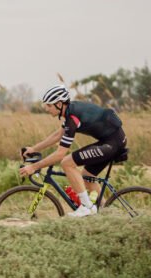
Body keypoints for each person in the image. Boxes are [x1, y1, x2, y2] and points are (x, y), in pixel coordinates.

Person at [19, 85, 128, 218]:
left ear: (59, 104)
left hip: (112, 143)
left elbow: (60, 154)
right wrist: (34, 148)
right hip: (110, 141)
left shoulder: (72, 118)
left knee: (67, 163)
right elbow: (57, 135)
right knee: (87, 178)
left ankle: (86, 206)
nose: (46, 109)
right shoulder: (70, 111)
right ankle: (105, 215)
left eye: (49, 105)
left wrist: (33, 167)